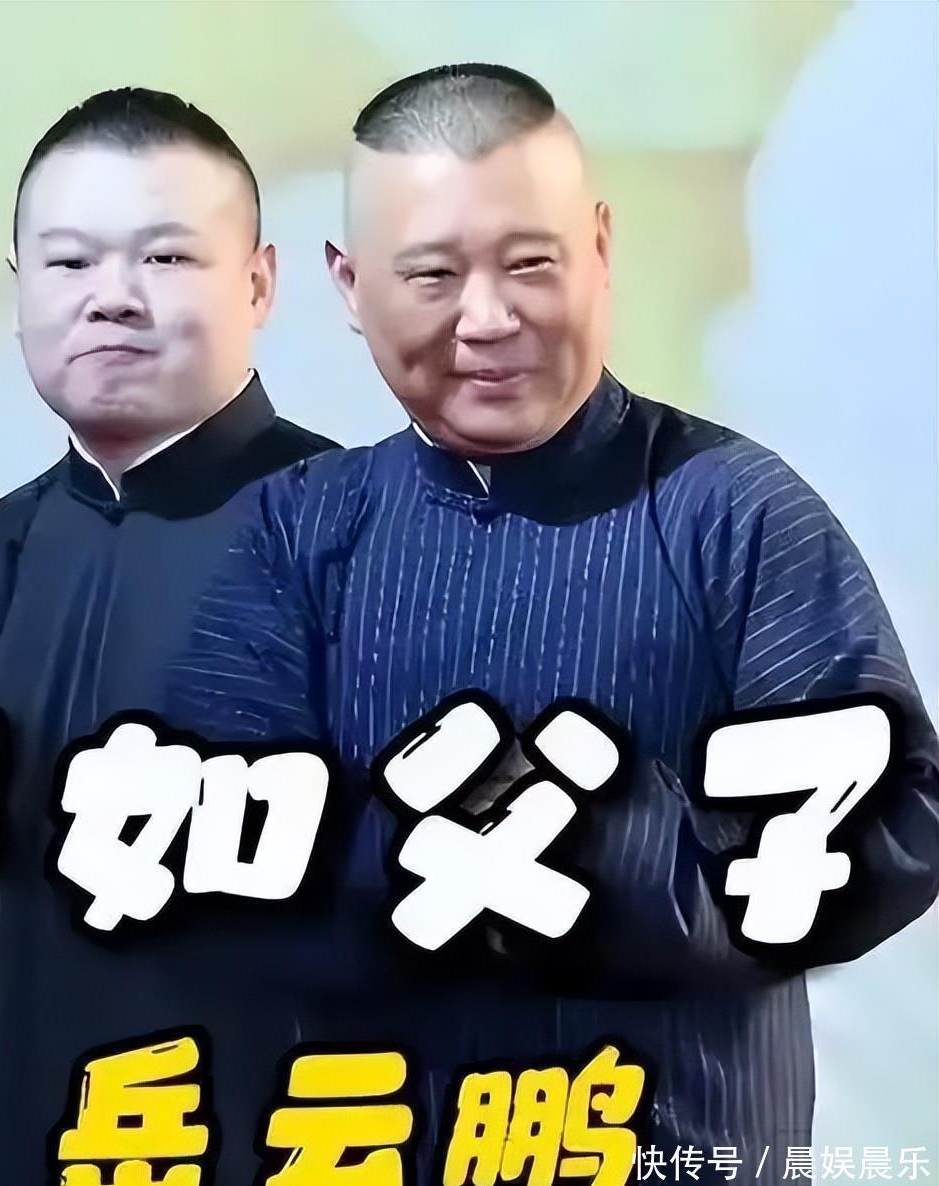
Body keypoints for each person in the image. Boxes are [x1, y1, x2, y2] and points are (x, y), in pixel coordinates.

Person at [167, 64, 939, 1179]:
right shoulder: (291, 536)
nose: (487, 320)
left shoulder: (735, 513)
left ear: (599, 247)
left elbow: (895, 826)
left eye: (529, 263)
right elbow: (207, 845)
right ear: (349, 284)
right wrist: (465, 845)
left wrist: (604, 846)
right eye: (432, 275)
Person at [0, 88, 335, 1186]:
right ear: (20, 293)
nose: (111, 298)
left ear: (258, 284)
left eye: (165, 258)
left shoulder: (366, 542)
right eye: (68, 262)